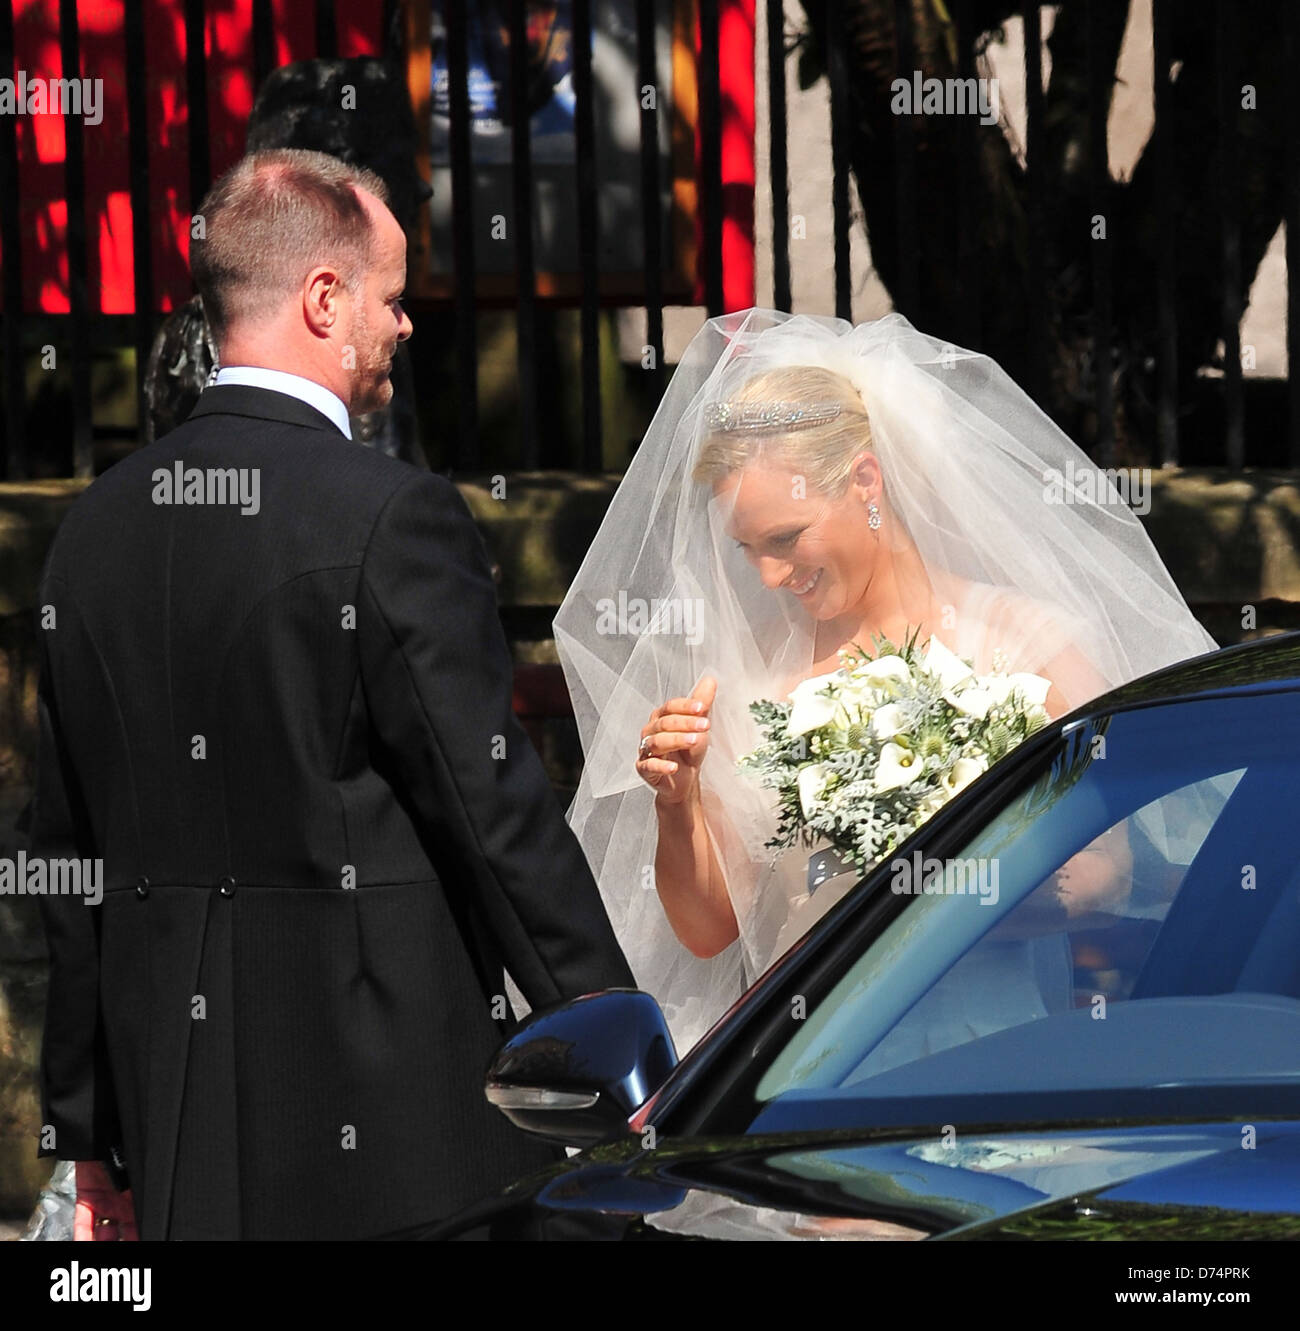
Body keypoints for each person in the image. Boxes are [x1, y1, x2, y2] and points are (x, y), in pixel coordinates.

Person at [30, 148, 634, 1240]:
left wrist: (87, 1139)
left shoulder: (89, 536)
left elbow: (70, 865)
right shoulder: (391, 515)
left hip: (175, 1134)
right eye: (393, 298)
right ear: (323, 298)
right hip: (392, 1136)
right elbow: (493, 814)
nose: (406, 326)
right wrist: (611, 1039)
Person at [555, 308, 1218, 1057]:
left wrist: (946, 887)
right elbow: (709, 930)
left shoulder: (1022, 642)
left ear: (865, 479)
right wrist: (677, 807)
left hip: (992, 1044)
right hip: (803, 1057)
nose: (771, 574)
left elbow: (1106, 867)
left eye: (785, 538)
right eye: (748, 550)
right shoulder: (753, 676)